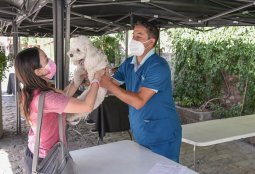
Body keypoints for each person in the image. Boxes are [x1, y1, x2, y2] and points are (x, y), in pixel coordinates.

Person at [99, 21, 182, 162]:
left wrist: (109, 85)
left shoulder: (158, 66)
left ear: (151, 42)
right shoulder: (129, 63)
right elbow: (110, 84)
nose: (134, 40)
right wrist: (98, 75)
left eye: (139, 36)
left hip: (162, 134)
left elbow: (139, 101)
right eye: (133, 35)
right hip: (141, 130)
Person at [14, 47, 104, 174]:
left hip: (33, 152)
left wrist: (76, 80)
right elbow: (87, 106)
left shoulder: (31, 90)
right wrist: (96, 79)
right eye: (46, 59)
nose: (51, 61)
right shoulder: (47, 98)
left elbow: (63, 98)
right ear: (39, 71)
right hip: (47, 159)